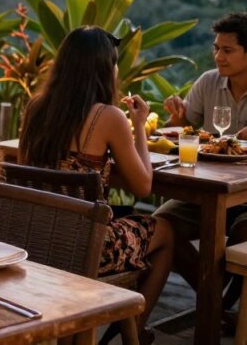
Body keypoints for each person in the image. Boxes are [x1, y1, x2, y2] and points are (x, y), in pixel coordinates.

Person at [20, 26, 173, 341]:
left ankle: (126, 323)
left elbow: (26, 171)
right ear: (105, 69)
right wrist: (140, 126)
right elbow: (143, 186)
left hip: (35, 238)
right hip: (85, 248)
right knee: (167, 231)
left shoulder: (35, 108)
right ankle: (136, 329)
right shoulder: (109, 116)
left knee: (155, 235)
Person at [157, 12, 247, 314]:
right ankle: (216, 302)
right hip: (207, 189)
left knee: (243, 233)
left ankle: (224, 305)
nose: (218, 56)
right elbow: (185, 130)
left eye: (228, 50)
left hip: (245, 197)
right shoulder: (209, 82)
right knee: (161, 226)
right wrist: (179, 116)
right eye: (216, 48)